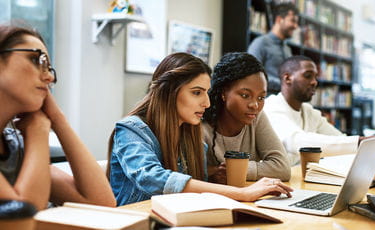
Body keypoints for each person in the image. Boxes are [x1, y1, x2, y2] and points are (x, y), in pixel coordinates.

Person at [107, 52, 293, 206]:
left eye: (206, 92)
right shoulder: (131, 129)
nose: (207, 102)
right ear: (168, 92)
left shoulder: (190, 133)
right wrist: (242, 193)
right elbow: (153, 179)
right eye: (197, 92)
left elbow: (196, 190)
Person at [0, 24, 116, 210]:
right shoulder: (32, 135)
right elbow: (21, 220)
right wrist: (38, 131)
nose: (48, 78)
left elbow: (101, 202)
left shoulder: (15, 147)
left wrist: (57, 118)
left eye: (48, 67)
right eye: (35, 59)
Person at [264, 55, 375, 165]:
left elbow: (339, 140)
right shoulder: (271, 107)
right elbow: (297, 141)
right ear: (288, 78)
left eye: (315, 77)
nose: (314, 82)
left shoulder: (309, 111)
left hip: (298, 178)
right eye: (307, 75)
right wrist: (362, 142)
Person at [202, 52, 291, 185]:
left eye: (261, 97)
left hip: (246, 196)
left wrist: (238, 169)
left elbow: (282, 168)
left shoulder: (256, 117)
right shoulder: (200, 123)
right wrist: (210, 173)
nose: (254, 105)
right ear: (223, 92)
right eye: (245, 95)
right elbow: (188, 173)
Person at [247, 2, 299, 95]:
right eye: (292, 21)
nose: (295, 26)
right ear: (279, 19)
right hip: (267, 102)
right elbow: (251, 75)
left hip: (286, 101)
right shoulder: (260, 43)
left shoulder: (288, 49)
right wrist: (284, 84)